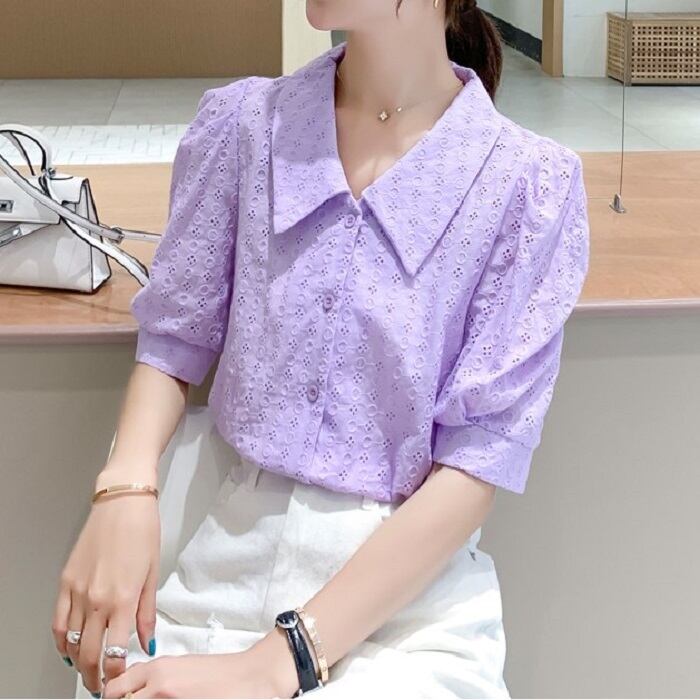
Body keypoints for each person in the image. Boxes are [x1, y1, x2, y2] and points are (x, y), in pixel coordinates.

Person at [53, 1, 590, 698]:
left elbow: (474, 464)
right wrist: (125, 490)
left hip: (407, 615)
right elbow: (175, 337)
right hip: (219, 574)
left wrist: (275, 664)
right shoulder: (245, 126)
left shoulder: (527, 186)